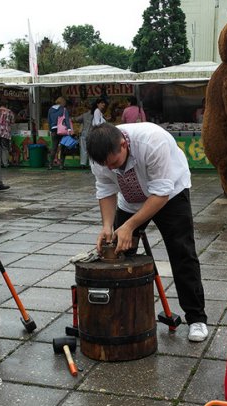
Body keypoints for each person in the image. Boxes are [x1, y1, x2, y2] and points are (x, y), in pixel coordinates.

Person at [86, 122, 209, 342]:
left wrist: (130, 226)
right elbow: (105, 189)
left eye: (114, 163)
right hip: (130, 200)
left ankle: (196, 318)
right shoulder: (101, 158)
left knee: (182, 252)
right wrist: (107, 225)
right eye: (107, 166)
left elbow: (160, 193)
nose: (112, 169)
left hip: (170, 195)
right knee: (119, 251)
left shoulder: (152, 141)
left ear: (123, 144)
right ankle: (124, 313)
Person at [47, 97, 73, 170]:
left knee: (54, 148)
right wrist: (69, 129)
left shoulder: (50, 109)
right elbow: (67, 120)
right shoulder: (64, 109)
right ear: (62, 102)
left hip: (53, 130)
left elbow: (48, 120)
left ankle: (50, 165)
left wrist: (50, 129)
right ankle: (61, 165)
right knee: (63, 147)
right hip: (62, 130)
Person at [0, 100, 15, 168]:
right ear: (6, 105)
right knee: (5, 148)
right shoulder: (9, 112)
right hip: (5, 133)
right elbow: (12, 121)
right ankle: (5, 163)